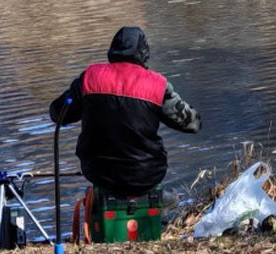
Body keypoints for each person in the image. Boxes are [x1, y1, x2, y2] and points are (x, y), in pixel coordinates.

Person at [50, 26, 201, 197]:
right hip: (147, 174)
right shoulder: (157, 84)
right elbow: (192, 124)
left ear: (112, 51)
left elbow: (57, 114)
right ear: (144, 54)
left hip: (98, 172)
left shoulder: (89, 77)